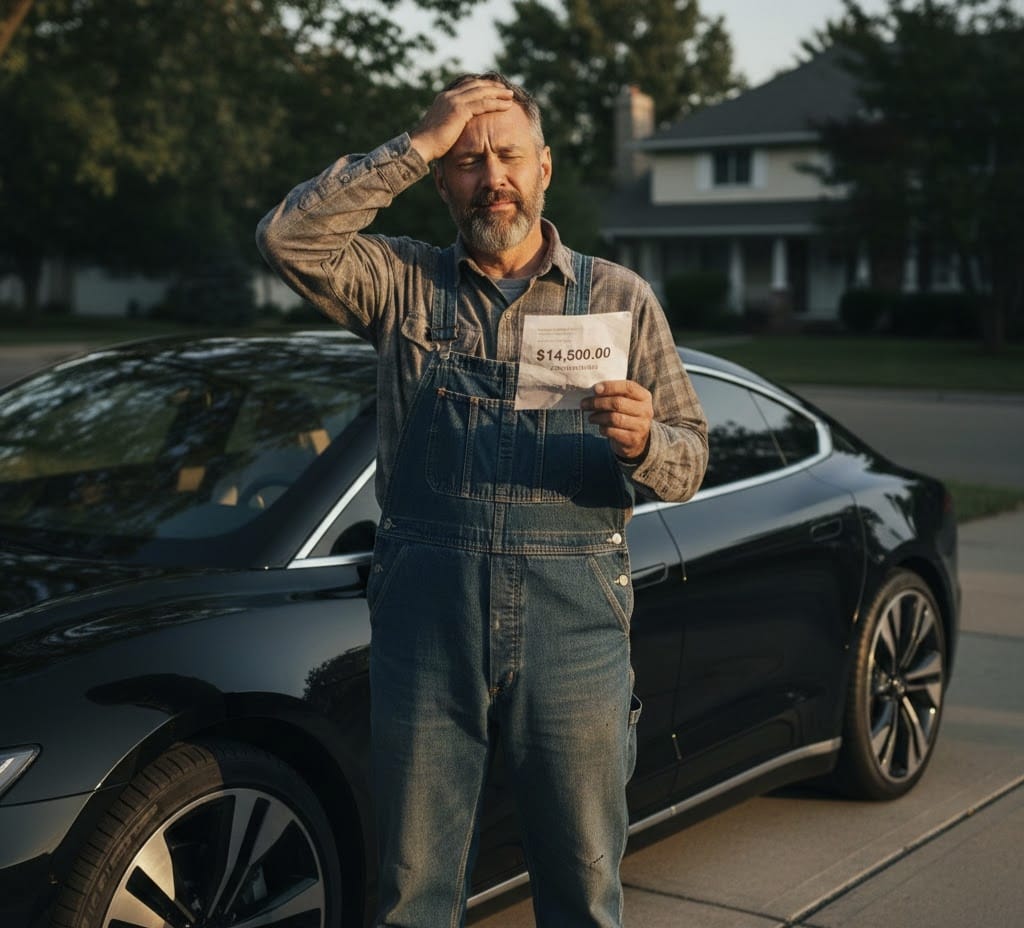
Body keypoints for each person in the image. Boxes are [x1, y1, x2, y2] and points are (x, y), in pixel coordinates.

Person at [257, 72, 708, 928]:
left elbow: (688, 465)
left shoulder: (620, 298)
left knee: (579, 883)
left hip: (575, 620)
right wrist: (416, 140)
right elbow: (289, 237)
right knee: (411, 887)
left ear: (544, 169)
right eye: (465, 161)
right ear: (441, 180)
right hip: (427, 616)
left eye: (506, 155)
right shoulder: (402, 285)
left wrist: (648, 440)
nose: (489, 175)